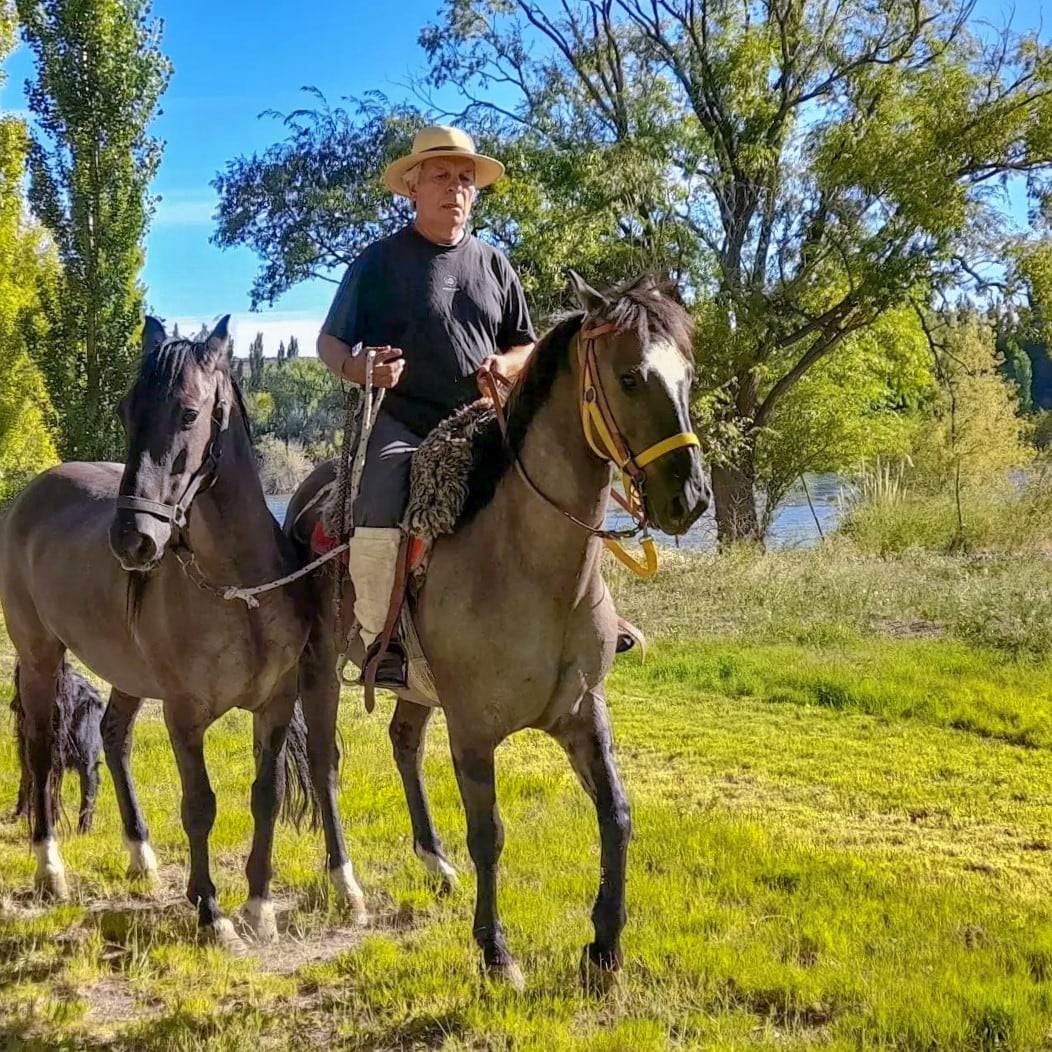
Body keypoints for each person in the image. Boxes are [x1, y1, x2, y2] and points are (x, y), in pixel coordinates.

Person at [317, 126, 536, 688]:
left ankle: (582, 617)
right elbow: (330, 343)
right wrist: (361, 370)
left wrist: (507, 367)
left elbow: (526, 343)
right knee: (380, 496)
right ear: (411, 188)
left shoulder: (495, 266)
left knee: (552, 482)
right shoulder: (378, 263)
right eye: (440, 176)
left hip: (484, 423)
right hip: (404, 424)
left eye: (465, 178)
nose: (455, 188)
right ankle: (378, 640)